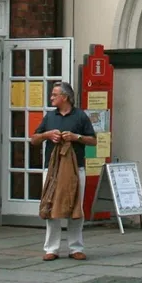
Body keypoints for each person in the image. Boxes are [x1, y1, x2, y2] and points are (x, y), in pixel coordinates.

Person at [30, 81, 95, 261]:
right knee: (51, 206)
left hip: (76, 168)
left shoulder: (80, 116)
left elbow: (93, 141)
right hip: (51, 169)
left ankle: (76, 247)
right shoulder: (49, 117)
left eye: (54, 95)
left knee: (76, 206)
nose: (51, 98)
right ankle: (52, 248)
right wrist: (46, 135)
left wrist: (77, 137)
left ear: (65, 97)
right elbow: (33, 139)